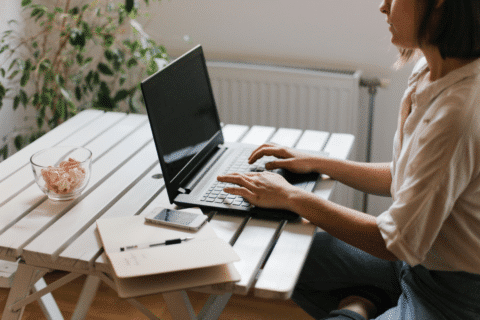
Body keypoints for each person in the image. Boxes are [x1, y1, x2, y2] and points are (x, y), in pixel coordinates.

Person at [217, 0, 480, 319]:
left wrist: (291, 197)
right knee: (280, 253)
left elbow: (392, 241)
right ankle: (369, 299)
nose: (383, 6)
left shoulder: (457, 113)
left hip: (451, 297)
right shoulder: (430, 68)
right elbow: (403, 178)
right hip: (410, 264)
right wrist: (318, 163)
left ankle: (358, 306)